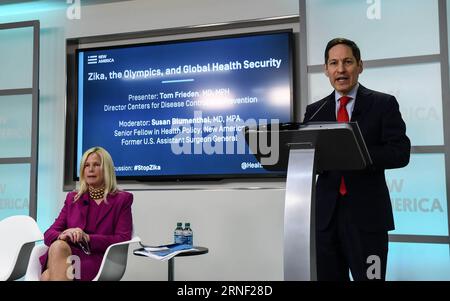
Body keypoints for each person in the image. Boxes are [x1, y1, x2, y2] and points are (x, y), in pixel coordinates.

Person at [303, 38, 410, 281]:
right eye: (334, 63)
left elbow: (400, 152)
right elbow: (310, 158)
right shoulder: (315, 111)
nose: (341, 69)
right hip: (326, 221)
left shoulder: (383, 104)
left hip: (367, 219)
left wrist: (357, 153)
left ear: (360, 66)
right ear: (326, 70)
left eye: (348, 62)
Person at [39, 146, 133, 281]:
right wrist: (64, 234)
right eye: (86, 165)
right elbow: (48, 234)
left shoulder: (122, 200)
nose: (90, 169)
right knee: (58, 245)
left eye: (96, 165)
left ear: (106, 169)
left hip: (97, 258)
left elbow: (122, 238)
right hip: (67, 255)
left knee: (47, 276)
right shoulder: (73, 198)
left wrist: (88, 238)